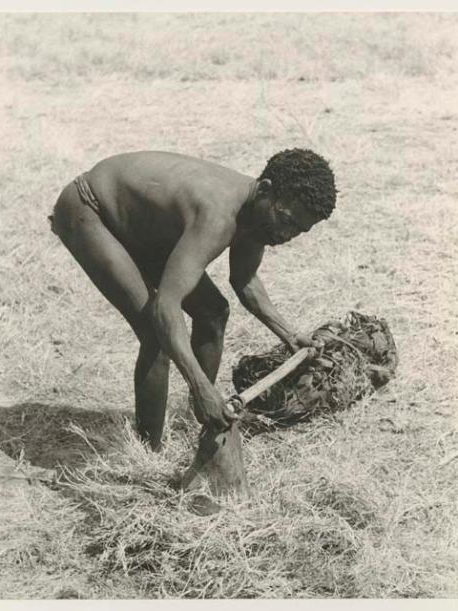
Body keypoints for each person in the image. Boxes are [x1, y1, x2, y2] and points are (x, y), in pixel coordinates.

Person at [49, 148, 337, 450]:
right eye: (286, 220)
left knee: (213, 312)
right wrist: (201, 386)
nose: (285, 234)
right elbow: (166, 307)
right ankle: (150, 453)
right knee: (155, 335)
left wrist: (290, 335)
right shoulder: (219, 214)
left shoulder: (261, 216)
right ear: (265, 189)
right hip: (91, 209)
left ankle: (198, 422)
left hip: (144, 228)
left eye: (298, 230)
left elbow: (245, 282)